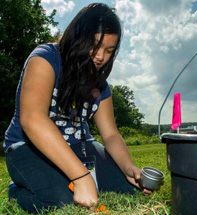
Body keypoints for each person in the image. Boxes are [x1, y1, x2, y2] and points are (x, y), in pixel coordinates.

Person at [4, 3, 151, 214]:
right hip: (27, 147)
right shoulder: (45, 58)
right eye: (94, 45)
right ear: (77, 37)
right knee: (60, 199)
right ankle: (16, 191)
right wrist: (81, 176)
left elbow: (110, 135)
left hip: (78, 146)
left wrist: (128, 168)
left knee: (126, 188)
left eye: (109, 50)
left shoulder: (101, 85)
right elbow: (32, 120)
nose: (101, 57)